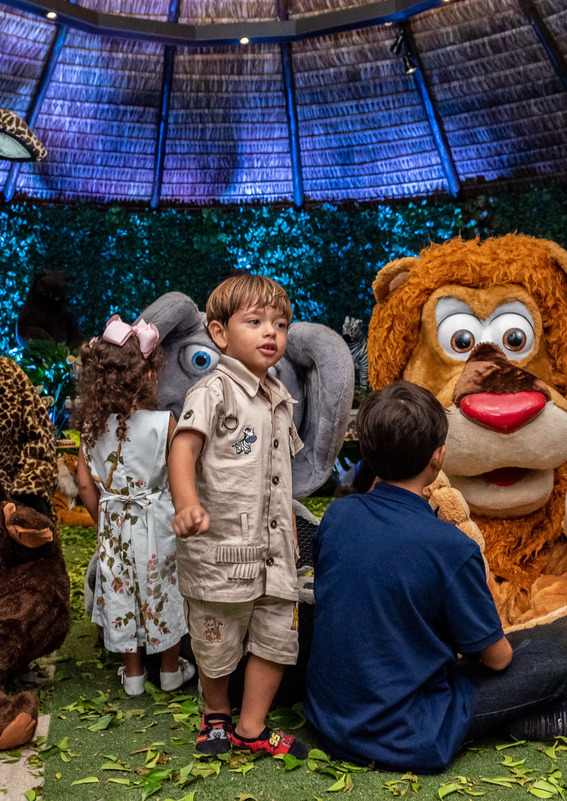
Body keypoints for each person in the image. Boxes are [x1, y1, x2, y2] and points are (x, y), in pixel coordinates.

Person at [305, 381, 567, 771]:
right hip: (408, 733)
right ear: (439, 457)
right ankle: (512, 720)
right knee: (548, 661)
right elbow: (497, 661)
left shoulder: (337, 516)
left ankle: (510, 719)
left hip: (328, 721)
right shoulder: (451, 545)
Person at [168, 273, 309, 758]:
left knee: (275, 638)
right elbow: (182, 449)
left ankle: (251, 728)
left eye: (280, 323)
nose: (271, 332)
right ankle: (216, 715)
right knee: (217, 641)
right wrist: (187, 504)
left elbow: (282, 473)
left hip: (275, 552)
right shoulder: (212, 392)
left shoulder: (280, 399)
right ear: (220, 333)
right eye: (255, 322)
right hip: (221, 552)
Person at [74, 315, 195, 697]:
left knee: (121, 591)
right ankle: (172, 670)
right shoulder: (165, 422)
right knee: (162, 589)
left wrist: (103, 520)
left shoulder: (90, 428)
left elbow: (83, 484)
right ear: (147, 375)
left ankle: (133, 676)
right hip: (157, 522)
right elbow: (180, 475)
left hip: (114, 522)